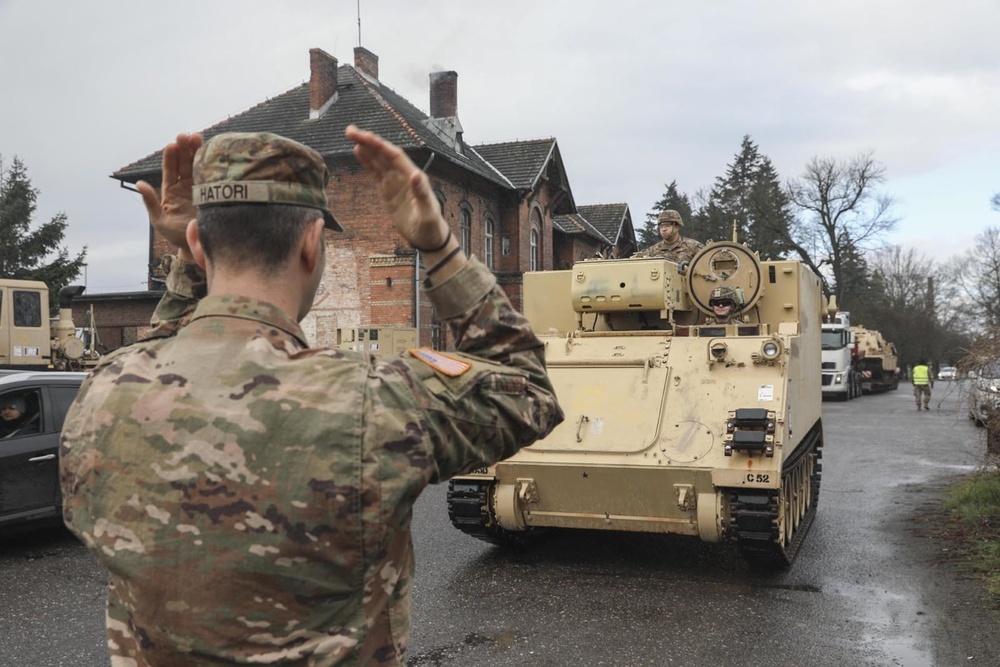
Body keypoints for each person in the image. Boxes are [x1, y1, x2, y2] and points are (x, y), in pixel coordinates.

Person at [60, 127, 564, 666]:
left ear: (200, 245)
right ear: (311, 243)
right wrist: (440, 248)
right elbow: (529, 389)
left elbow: (164, 352)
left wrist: (186, 266)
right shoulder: (374, 403)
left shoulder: (104, 389)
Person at [632, 209, 703, 261]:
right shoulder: (652, 251)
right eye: (661, 226)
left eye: (667, 225)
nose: (663, 229)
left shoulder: (693, 247)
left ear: (677, 227)